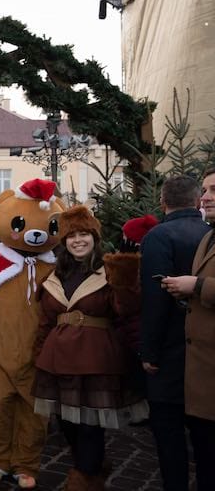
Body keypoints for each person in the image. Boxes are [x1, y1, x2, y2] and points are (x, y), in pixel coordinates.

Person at [33, 206, 148, 490]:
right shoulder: (54, 276)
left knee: (89, 427)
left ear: (95, 238)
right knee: (68, 425)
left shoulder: (108, 271)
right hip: (57, 362)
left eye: (84, 234)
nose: (78, 240)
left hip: (96, 360)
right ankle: (92, 468)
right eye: (72, 236)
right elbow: (45, 321)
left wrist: (125, 279)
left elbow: (127, 310)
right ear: (64, 241)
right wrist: (37, 354)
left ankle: (84, 479)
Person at [140, 174, 210, 491]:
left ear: (163, 202)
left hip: (169, 351)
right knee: (205, 437)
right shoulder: (209, 234)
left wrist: (149, 352)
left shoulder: (158, 236)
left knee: (169, 436)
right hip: (205, 355)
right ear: (198, 202)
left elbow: (155, 299)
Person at [160, 167, 215, 491]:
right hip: (203, 370)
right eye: (204, 190)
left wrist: (197, 286)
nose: (204, 197)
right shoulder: (208, 235)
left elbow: (203, 286)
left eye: (212, 190)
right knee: (206, 457)